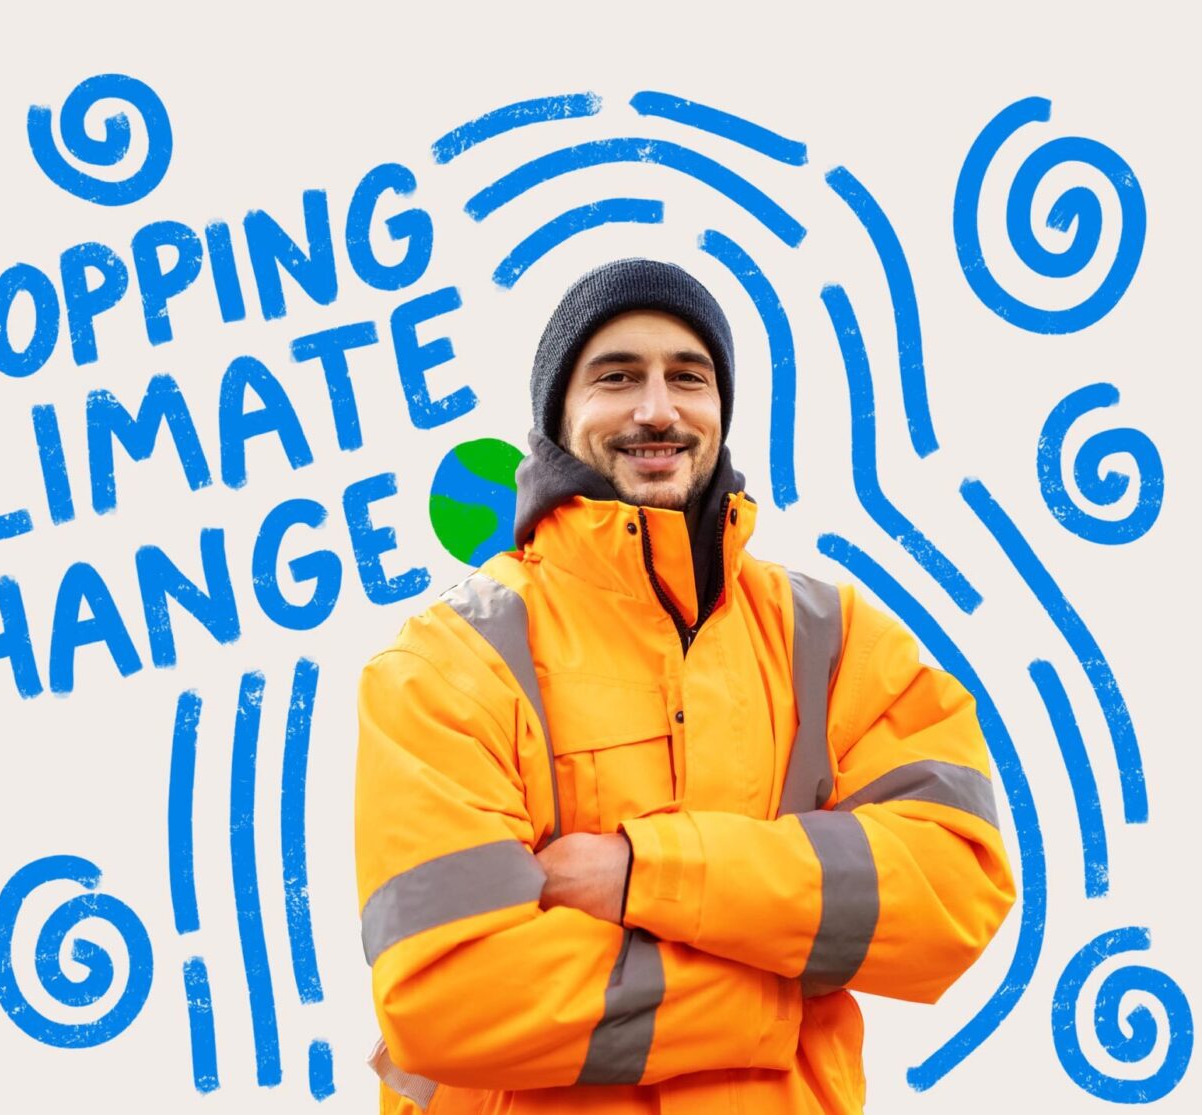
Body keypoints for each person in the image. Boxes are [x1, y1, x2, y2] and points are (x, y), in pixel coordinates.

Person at [354, 259, 1016, 1114]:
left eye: (688, 377)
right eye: (617, 376)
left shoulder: (832, 637)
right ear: (559, 417)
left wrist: (647, 872)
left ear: (721, 411)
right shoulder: (448, 660)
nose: (657, 409)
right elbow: (445, 998)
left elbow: (954, 889)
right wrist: (773, 992)